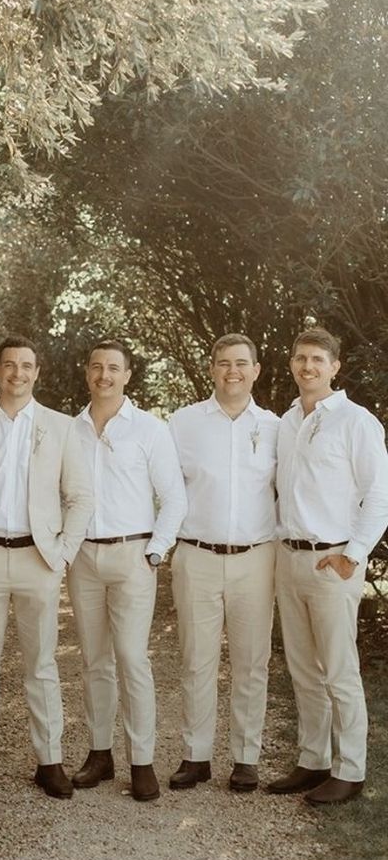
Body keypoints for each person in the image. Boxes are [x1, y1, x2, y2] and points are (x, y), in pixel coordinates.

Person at [0, 334, 93, 799]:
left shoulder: (61, 427)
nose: (18, 374)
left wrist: (63, 552)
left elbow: (80, 497)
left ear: (37, 372)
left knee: (42, 665)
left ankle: (50, 761)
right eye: (10, 365)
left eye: (26, 366)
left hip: (38, 559)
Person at [268, 327, 388, 805]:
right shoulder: (288, 419)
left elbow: (379, 495)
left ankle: (351, 768)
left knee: (339, 670)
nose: (308, 367)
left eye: (318, 359)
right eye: (300, 358)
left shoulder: (356, 422)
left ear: (335, 367)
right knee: (302, 669)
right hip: (289, 558)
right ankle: (313, 759)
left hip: (332, 559)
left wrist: (352, 554)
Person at [68, 341, 186, 802]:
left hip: (134, 555)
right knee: (94, 661)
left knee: (133, 660)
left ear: (127, 375)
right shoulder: (69, 429)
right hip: (83, 559)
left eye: (113, 368)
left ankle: (142, 761)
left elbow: (174, 496)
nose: (104, 375)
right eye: (96, 367)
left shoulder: (149, 430)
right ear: (87, 372)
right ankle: (100, 754)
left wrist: (156, 551)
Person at [168, 333, 279, 793]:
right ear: (211, 368)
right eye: (223, 363)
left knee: (252, 662)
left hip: (256, 558)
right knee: (197, 659)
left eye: (241, 363)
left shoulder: (276, 427)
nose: (232, 371)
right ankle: (195, 757)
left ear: (256, 370)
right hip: (197, 555)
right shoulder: (182, 423)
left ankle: (246, 757)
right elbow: (164, 488)